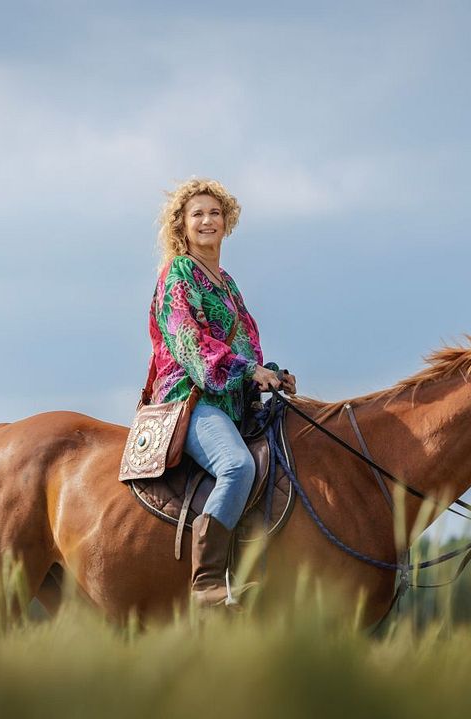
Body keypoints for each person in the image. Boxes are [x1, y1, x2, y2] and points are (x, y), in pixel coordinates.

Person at [148, 177, 297, 608]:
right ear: (182, 225)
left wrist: (270, 372)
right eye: (197, 214)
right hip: (192, 398)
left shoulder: (227, 282)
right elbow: (189, 343)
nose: (207, 220)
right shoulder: (177, 274)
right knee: (237, 466)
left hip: (232, 400)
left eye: (214, 213)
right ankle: (207, 586)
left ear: (226, 222)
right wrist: (248, 371)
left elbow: (245, 345)